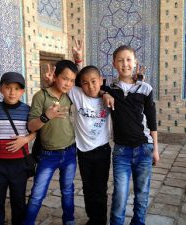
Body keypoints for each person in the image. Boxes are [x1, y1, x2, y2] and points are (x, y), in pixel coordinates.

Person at [43, 60, 112, 225]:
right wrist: (51, 81)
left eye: (94, 82)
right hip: (83, 152)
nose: (90, 86)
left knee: (100, 189)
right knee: (88, 188)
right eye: (85, 83)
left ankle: (100, 221)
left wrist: (105, 93)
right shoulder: (77, 94)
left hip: (103, 150)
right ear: (81, 85)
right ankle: (92, 218)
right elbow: (65, 84)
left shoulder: (109, 97)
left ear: (101, 80)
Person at [102, 45, 160, 225]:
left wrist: (155, 149)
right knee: (120, 195)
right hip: (121, 151)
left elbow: (152, 121)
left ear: (135, 63)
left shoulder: (146, 89)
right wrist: (104, 93)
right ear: (114, 64)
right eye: (120, 60)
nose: (125, 64)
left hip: (144, 148)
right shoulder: (110, 88)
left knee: (142, 194)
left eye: (128, 60)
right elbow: (88, 83)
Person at [23, 60, 78, 225]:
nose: (68, 83)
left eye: (71, 80)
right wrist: (46, 116)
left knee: (68, 191)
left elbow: (88, 84)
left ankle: (69, 220)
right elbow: (31, 126)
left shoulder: (70, 95)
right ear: (55, 76)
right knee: (37, 194)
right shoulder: (40, 96)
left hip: (69, 152)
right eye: (64, 78)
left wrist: (79, 60)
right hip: (48, 155)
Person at [0, 72, 36, 225]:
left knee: (18, 202)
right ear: (1, 89)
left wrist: (25, 139)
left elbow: (34, 132)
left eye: (17, 88)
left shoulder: (27, 110)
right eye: (8, 88)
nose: (12, 92)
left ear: (22, 91)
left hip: (19, 164)